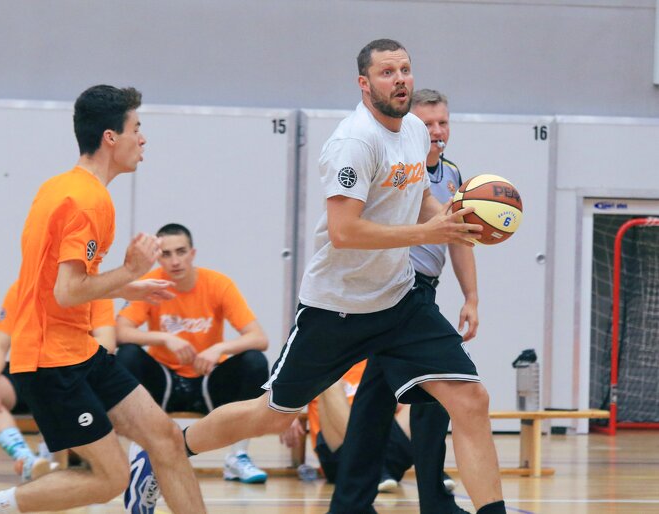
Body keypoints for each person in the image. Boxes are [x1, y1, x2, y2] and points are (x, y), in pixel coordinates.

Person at [134, 38, 506, 514]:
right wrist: (427, 231)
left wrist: (455, 219)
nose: (400, 80)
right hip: (337, 308)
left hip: (399, 300)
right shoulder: (354, 142)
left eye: (405, 70)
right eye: (387, 72)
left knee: (471, 399)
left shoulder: (414, 130)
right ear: (364, 83)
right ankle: (165, 453)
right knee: (272, 415)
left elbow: (420, 199)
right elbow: (344, 232)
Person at [0, 85, 206, 514]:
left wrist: (125, 287)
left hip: (79, 350)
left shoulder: (60, 186)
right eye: (136, 128)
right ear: (110, 137)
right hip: (51, 361)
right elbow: (67, 290)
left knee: (165, 438)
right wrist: (129, 271)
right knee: (110, 477)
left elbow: (58, 282)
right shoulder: (89, 202)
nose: (143, 138)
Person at [328, 88, 478, 514]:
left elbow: (459, 239)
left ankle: (350, 503)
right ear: (412, 126)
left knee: (376, 401)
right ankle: (433, 501)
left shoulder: (453, 175)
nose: (437, 131)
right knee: (445, 383)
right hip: (396, 290)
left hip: (423, 290)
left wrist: (471, 297)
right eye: (428, 124)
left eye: (443, 122)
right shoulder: (396, 168)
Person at [116, 222, 270, 485]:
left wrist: (219, 348)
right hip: (163, 382)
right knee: (127, 356)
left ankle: (238, 457)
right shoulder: (150, 284)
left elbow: (259, 338)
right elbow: (119, 333)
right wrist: (165, 338)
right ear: (158, 258)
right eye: (166, 254)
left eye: (181, 251)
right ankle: (141, 453)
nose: (175, 261)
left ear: (192, 253)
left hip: (209, 379)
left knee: (255, 361)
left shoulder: (218, 283)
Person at [0, 282, 117, 482]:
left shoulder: (92, 287)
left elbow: (107, 343)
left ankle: (60, 452)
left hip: (73, 374)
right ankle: (27, 460)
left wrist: (60, 360)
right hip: (29, 372)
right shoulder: (22, 287)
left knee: (81, 451)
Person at [280, 359, 416, 491]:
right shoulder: (321, 361)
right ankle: (374, 470)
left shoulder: (379, 361)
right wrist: (287, 413)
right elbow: (284, 393)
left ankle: (375, 470)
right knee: (329, 378)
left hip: (384, 450)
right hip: (342, 457)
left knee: (422, 387)